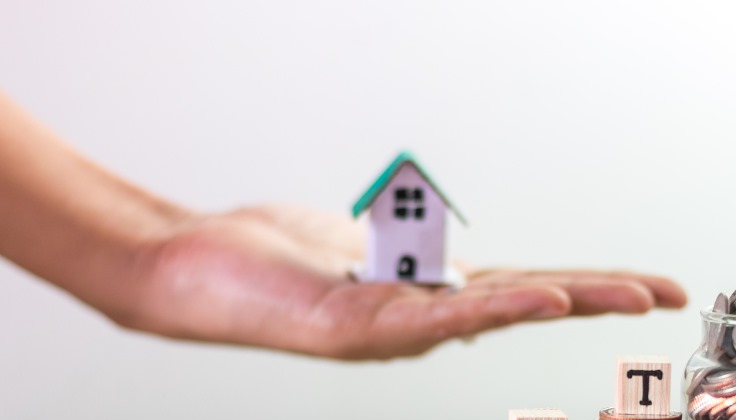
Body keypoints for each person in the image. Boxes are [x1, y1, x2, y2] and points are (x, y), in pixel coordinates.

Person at [0, 92, 685, 360]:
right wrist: (149, 250)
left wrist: (151, 249)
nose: (412, 212)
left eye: (415, 206)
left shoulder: (412, 212)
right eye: (408, 207)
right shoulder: (392, 211)